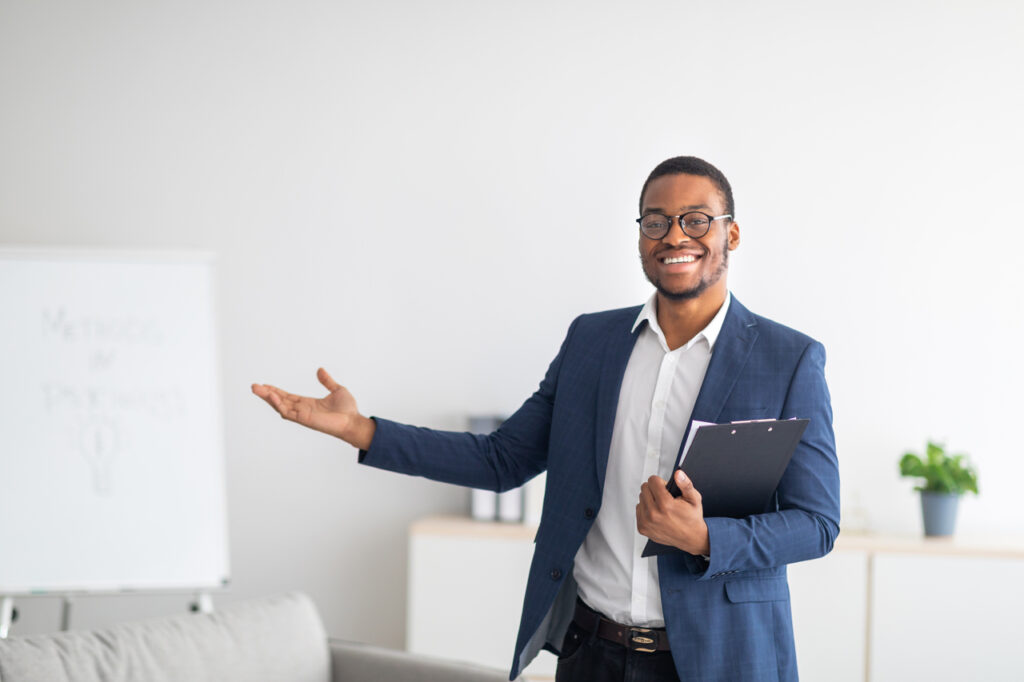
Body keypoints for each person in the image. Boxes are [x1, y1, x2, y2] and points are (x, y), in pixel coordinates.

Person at [252, 156, 840, 682]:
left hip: (720, 658)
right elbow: (502, 459)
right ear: (640, 236)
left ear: (730, 233)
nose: (673, 236)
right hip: (592, 653)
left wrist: (708, 538)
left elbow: (817, 523)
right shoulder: (593, 341)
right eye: (655, 220)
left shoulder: (788, 359)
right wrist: (361, 430)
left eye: (696, 219)